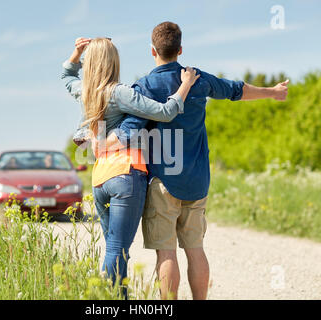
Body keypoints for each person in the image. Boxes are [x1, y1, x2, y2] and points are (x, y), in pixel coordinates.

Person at [103, 21, 289, 300]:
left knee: (166, 252)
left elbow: (130, 131)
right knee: (195, 249)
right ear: (180, 50)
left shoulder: (146, 86)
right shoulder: (198, 79)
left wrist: (99, 143)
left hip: (163, 182)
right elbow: (235, 90)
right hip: (198, 182)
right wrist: (272, 92)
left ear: (153, 51)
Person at [61, 37, 200, 298]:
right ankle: (109, 300)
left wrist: (76, 53)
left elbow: (66, 76)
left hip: (100, 179)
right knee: (117, 249)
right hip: (125, 174)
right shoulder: (119, 92)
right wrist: (184, 85)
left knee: (115, 248)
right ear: (114, 62)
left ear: (89, 63)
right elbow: (166, 111)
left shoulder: (85, 91)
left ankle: (118, 299)